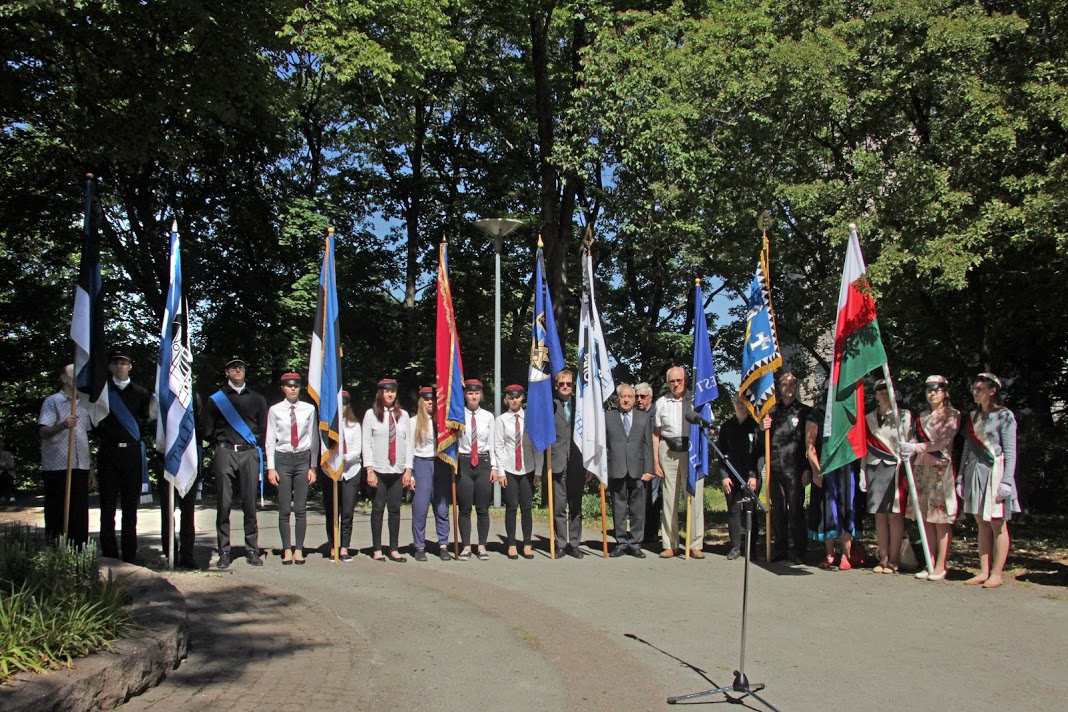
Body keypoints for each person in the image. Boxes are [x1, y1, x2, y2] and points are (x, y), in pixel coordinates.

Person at [200, 356, 268, 568]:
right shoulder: (216, 399)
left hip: (249, 453)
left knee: (250, 503)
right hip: (225, 452)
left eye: (241, 367)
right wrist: (221, 442)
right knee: (224, 503)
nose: (238, 370)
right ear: (227, 372)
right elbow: (206, 429)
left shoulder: (257, 399)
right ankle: (224, 550)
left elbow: (264, 428)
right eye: (233, 367)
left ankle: (252, 549)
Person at [958, 373, 1019, 589]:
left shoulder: (1005, 415)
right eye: (974, 389)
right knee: (981, 522)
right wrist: (960, 476)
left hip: (995, 473)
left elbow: (1010, 452)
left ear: (992, 391)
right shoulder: (973, 416)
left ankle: (997, 573)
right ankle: (983, 570)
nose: (975, 393)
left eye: (980, 389)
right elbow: (967, 449)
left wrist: (1007, 481)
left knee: (997, 523)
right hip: (975, 472)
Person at [94, 348, 153, 563]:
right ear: (111, 366)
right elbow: (95, 421)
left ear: (130, 366)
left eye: (124, 362)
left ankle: (129, 553)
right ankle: (109, 552)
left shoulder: (141, 393)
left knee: (130, 507)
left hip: (132, 454)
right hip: (109, 453)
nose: (120, 366)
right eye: (116, 362)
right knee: (107, 505)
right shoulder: (102, 392)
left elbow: (147, 421)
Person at [899, 375, 961, 580]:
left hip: (940, 470)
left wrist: (916, 447)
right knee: (925, 518)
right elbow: (914, 439)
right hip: (921, 469)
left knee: (941, 520)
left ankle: (941, 565)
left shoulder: (952, 414)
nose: (932, 393)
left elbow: (942, 442)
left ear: (945, 392)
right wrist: (908, 447)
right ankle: (929, 561)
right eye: (928, 390)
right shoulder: (922, 416)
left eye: (936, 390)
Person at [265, 373, 317, 565]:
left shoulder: (309, 409)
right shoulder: (275, 410)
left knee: (301, 508)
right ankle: (287, 548)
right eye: (289, 386)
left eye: (296, 385)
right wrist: (271, 467)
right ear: (283, 388)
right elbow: (270, 440)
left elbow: (313, 439)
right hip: (283, 459)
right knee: (285, 508)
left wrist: (313, 466)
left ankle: (299, 549)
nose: (293, 388)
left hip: (302, 459)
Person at [38, 364, 93, 545]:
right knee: (56, 510)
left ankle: (79, 551)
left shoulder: (84, 403)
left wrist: (91, 467)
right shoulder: (52, 401)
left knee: (79, 512)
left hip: (80, 465)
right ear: (63, 378)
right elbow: (43, 432)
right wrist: (62, 425)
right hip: (57, 466)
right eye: (73, 374)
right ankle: (56, 549)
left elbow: (84, 436)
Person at [806, 393, 862, 570]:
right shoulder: (815, 415)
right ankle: (830, 554)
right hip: (825, 469)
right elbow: (810, 446)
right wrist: (816, 470)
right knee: (827, 511)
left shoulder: (847, 411)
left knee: (847, 508)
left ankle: (846, 554)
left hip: (846, 468)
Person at [760, 372, 811, 564]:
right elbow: (761, 442)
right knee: (778, 511)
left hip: (796, 468)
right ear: (779, 388)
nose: (788, 388)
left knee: (796, 511)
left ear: (796, 387)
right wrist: (761, 428)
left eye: (791, 385)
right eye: (784, 385)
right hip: (775, 467)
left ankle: (799, 551)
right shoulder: (771, 412)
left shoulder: (805, 412)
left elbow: (810, 443)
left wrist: (808, 468)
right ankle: (780, 549)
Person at [653, 366, 704, 558]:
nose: (676, 384)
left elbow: (707, 428)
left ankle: (695, 544)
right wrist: (656, 462)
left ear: (686, 381)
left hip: (691, 451)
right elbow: (656, 434)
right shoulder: (661, 403)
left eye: (679, 380)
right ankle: (670, 544)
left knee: (695, 497)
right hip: (668, 449)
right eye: (672, 381)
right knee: (669, 498)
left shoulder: (697, 401)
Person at [861, 380, 911, 575]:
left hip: (894, 468)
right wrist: (862, 472)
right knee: (879, 515)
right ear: (875, 395)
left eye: (886, 389)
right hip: (875, 467)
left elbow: (908, 442)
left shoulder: (903, 415)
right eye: (879, 390)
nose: (883, 392)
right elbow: (865, 448)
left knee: (895, 515)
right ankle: (883, 558)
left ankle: (894, 559)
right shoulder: (868, 418)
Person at [363, 378, 411, 562]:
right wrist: (369, 469)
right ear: (380, 393)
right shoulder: (371, 415)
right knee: (377, 509)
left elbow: (409, 443)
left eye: (393, 391)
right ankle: (377, 549)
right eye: (386, 391)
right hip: (379, 469)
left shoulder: (403, 415)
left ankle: (394, 549)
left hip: (397, 469)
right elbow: (366, 443)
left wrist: (408, 469)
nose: (390, 394)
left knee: (395, 509)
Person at [604, 384, 654, 558]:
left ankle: (635, 544)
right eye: (623, 397)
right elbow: (603, 445)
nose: (626, 400)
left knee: (638, 509)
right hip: (616, 468)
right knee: (618, 508)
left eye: (629, 397)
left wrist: (649, 469)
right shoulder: (608, 417)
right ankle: (621, 543)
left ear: (634, 399)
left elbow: (648, 445)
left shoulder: (644, 418)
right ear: (618, 399)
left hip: (638, 470)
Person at [494, 384, 542, 560]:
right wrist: (500, 471)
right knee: (511, 506)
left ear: (522, 398)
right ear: (506, 399)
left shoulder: (530, 418)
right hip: (509, 468)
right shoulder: (501, 420)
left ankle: (527, 543)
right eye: (511, 397)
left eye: (517, 397)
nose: (514, 400)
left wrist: (538, 470)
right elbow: (498, 446)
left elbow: (538, 446)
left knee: (527, 507)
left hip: (528, 468)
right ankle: (512, 544)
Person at [410, 386, 452, 561]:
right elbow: (409, 448)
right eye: (426, 399)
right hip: (422, 463)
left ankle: (443, 544)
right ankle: (419, 546)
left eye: (433, 399)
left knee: (442, 507)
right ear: (421, 401)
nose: (430, 402)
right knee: (420, 507)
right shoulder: (413, 422)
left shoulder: (443, 421)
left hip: (441, 463)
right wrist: (410, 473)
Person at [717, 394, 761, 560]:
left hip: (751, 476)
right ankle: (735, 547)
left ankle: (751, 548)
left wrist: (754, 475)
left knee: (751, 512)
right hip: (731, 476)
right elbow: (720, 453)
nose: (740, 405)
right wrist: (724, 476)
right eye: (737, 402)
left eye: (743, 402)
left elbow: (760, 454)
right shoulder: (727, 426)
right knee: (734, 511)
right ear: (733, 404)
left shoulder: (755, 426)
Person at [456, 379, 496, 560]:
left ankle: (481, 546)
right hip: (464, 463)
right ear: (465, 395)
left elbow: (492, 443)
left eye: (477, 393)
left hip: (483, 463)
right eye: (470, 393)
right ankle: (466, 546)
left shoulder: (488, 416)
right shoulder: (457, 415)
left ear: (481, 395)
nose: (473, 396)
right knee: (464, 508)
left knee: (482, 508)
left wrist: (494, 467)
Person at [549, 369, 585, 558]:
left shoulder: (582, 405)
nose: (565, 386)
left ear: (573, 386)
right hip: (557, 461)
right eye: (561, 383)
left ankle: (575, 543)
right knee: (559, 506)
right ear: (556, 386)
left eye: (568, 384)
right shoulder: (549, 405)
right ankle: (561, 543)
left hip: (577, 461)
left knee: (576, 505)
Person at [323, 391, 362, 561]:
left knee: (347, 512)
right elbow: (324, 448)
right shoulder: (327, 426)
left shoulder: (354, 425)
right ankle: (333, 547)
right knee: (332, 511)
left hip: (350, 471)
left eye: (345, 404)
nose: (342, 407)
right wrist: (334, 461)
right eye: (340, 404)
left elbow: (357, 449)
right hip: (331, 472)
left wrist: (344, 458)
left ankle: (344, 547)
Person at [635, 381, 660, 545]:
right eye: (637, 396)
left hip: (654, 461)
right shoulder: (635, 414)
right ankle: (641, 532)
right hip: (639, 461)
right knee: (640, 498)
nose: (639, 399)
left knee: (653, 497)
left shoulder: (656, 414)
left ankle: (651, 533)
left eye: (642, 396)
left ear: (650, 397)